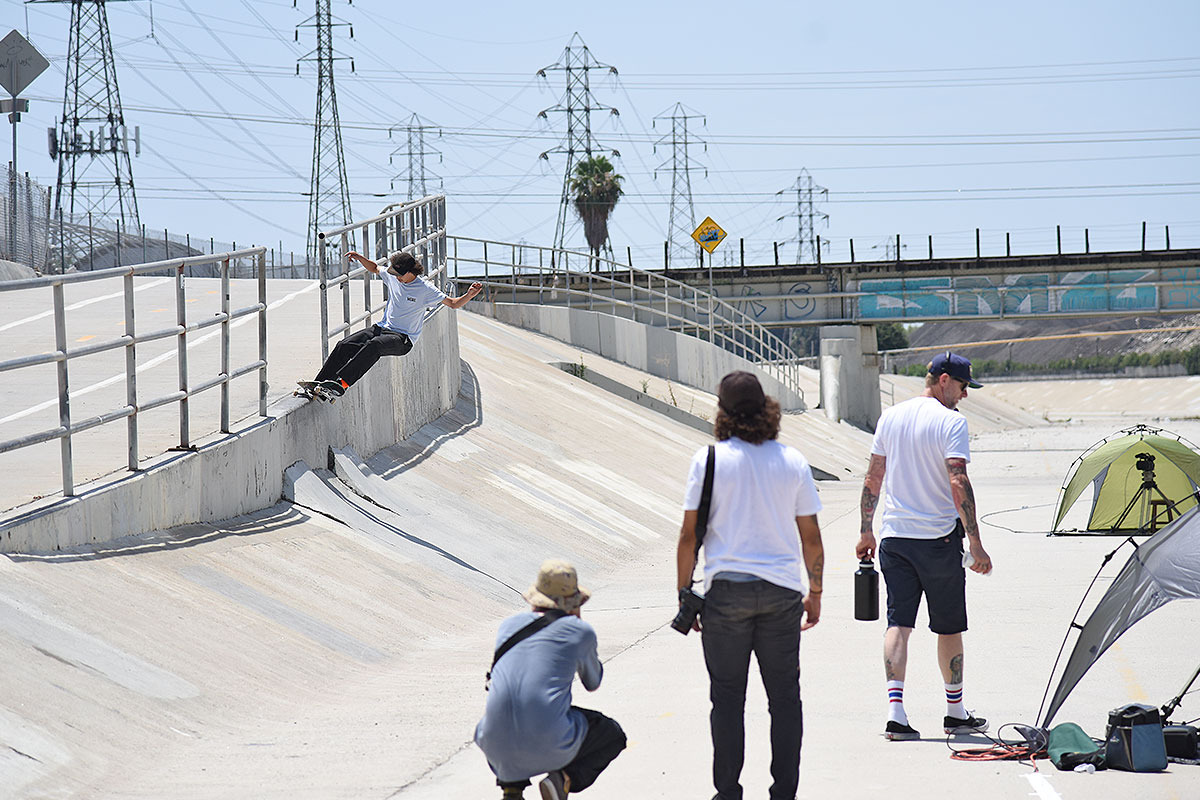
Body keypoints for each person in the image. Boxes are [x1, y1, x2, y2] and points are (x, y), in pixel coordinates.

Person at [676, 371, 825, 800]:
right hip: (782, 595)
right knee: (784, 699)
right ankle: (784, 793)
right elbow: (811, 538)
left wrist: (685, 592)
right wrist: (814, 594)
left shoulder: (708, 461)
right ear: (767, 410)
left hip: (726, 595)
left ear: (722, 413)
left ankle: (728, 792)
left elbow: (689, 537)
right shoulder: (792, 461)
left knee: (726, 700)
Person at [857, 351, 994, 742]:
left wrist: (866, 531)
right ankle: (954, 713)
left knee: (898, 623)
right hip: (937, 541)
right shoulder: (951, 422)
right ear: (945, 379)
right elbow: (958, 481)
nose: (965, 395)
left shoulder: (891, 417)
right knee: (949, 626)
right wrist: (976, 543)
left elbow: (873, 477)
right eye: (964, 386)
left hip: (895, 539)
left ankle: (895, 715)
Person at [475, 560, 626, 800]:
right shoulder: (578, 631)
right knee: (612, 735)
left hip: (493, 740)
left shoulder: (507, 627)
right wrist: (577, 623)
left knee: (513, 718)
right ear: (574, 601)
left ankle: (511, 788)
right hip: (549, 741)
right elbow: (592, 681)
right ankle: (562, 779)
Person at [307, 250, 483, 396]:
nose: (396, 278)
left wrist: (469, 295)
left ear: (410, 272)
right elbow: (375, 268)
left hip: (402, 339)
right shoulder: (393, 277)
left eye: (400, 275)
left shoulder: (425, 290)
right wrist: (360, 258)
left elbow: (452, 304)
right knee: (344, 344)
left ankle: (341, 384)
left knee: (374, 346)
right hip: (382, 329)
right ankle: (319, 383)